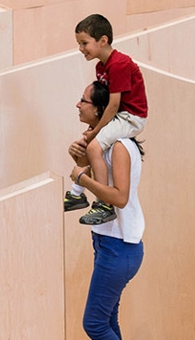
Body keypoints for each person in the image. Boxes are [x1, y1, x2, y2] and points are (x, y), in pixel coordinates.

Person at [69, 81, 145, 340]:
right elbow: (99, 185)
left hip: (120, 245)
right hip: (106, 241)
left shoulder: (121, 146)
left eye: (84, 100)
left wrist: (83, 179)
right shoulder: (102, 145)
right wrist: (78, 158)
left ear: (101, 109)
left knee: (95, 324)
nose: (78, 105)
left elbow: (120, 198)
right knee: (107, 320)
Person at [64, 14, 148, 225]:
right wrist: (92, 133)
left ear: (103, 40)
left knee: (93, 147)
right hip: (120, 114)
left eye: (84, 43)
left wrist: (96, 131)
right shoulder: (101, 67)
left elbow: (112, 105)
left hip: (130, 117)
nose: (81, 48)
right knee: (87, 146)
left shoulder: (118, 64)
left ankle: (103, 204)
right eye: (79, 44)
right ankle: (76, 195)